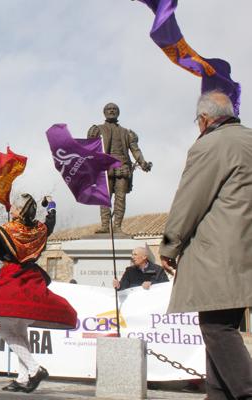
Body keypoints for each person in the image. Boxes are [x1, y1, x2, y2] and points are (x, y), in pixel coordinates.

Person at [159, 91, 252, 400]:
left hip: (220, 251)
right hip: (245, 250)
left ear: (204, 120)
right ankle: (218, 395)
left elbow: (190, 200)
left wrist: (170, 245)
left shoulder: (210, 145)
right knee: (222, 325)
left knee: (216, 328)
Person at [0, 194, 77, 393]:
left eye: (14, 206)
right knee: (20, 330)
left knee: (4, 329)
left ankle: (35, 369)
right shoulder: (38, 229)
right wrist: (52, 205)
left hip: (14, 280)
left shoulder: (7, 230)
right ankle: (23, 379)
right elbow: (51, 223)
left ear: (20, 211)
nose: (11, 208)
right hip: (32, 279)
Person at [88, 103, 151, 233]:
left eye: (114, 109)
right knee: (104, 197)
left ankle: (117, 227)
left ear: (118, 112)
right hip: (105, 167)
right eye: (109, 109)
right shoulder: (97, 130)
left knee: (121, 198)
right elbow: (90, 149)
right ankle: (105, 226)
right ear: (104, 112)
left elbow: (135, 150)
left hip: (122, 166)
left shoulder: (127, 133)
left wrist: (143, 162)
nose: (112, 111)